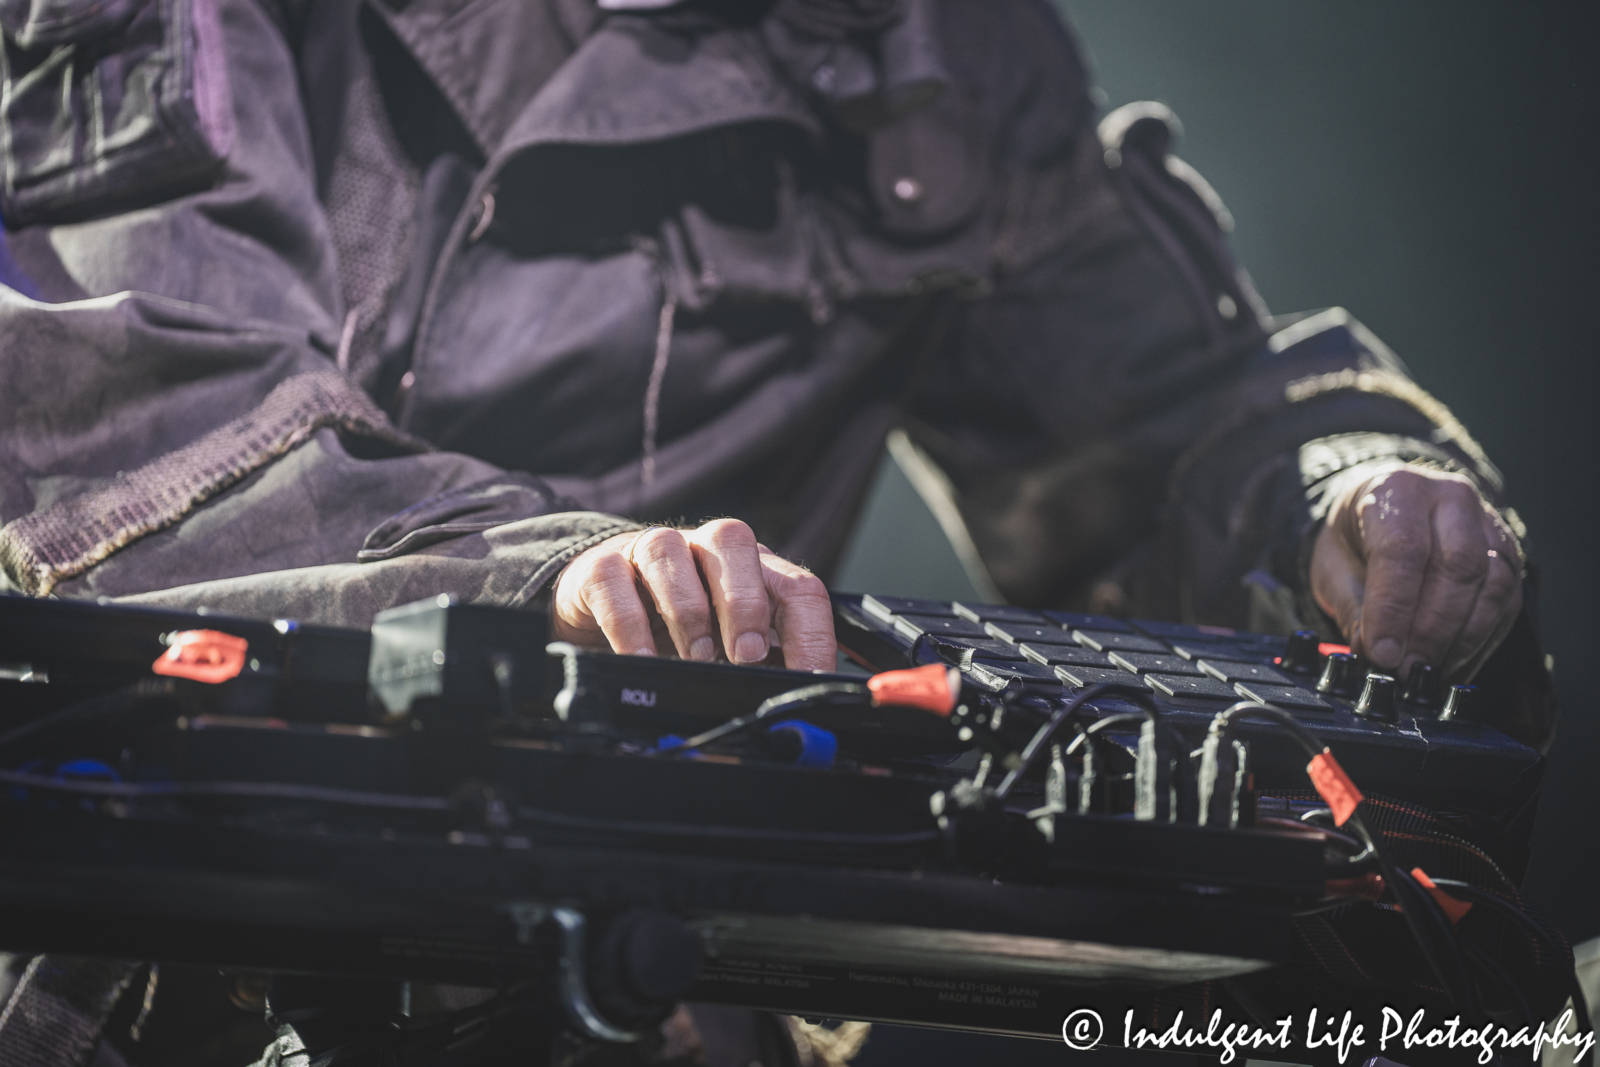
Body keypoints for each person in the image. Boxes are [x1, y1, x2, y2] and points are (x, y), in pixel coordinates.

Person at [0, 0, 1560, 1061]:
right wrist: (543, 584)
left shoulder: (939, 48)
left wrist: (1338, 495)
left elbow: (1161, 422)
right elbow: (140, 440)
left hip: (664, 980)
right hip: (123, 948)